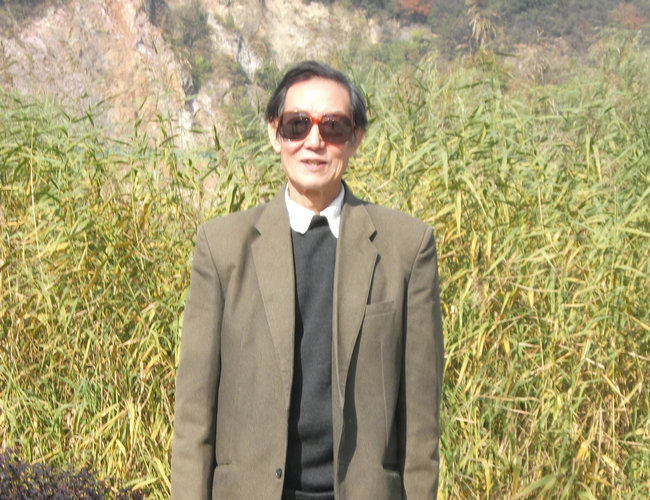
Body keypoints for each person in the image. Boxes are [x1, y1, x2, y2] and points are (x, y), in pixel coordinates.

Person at [171, 60, 444, 500]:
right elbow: (193, 418)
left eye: (332, 127)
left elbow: (421, 426)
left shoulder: (406, 248)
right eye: (297, 124)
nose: (314, 141)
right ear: (274, 133)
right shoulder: (222, 248)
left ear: (355, 139)